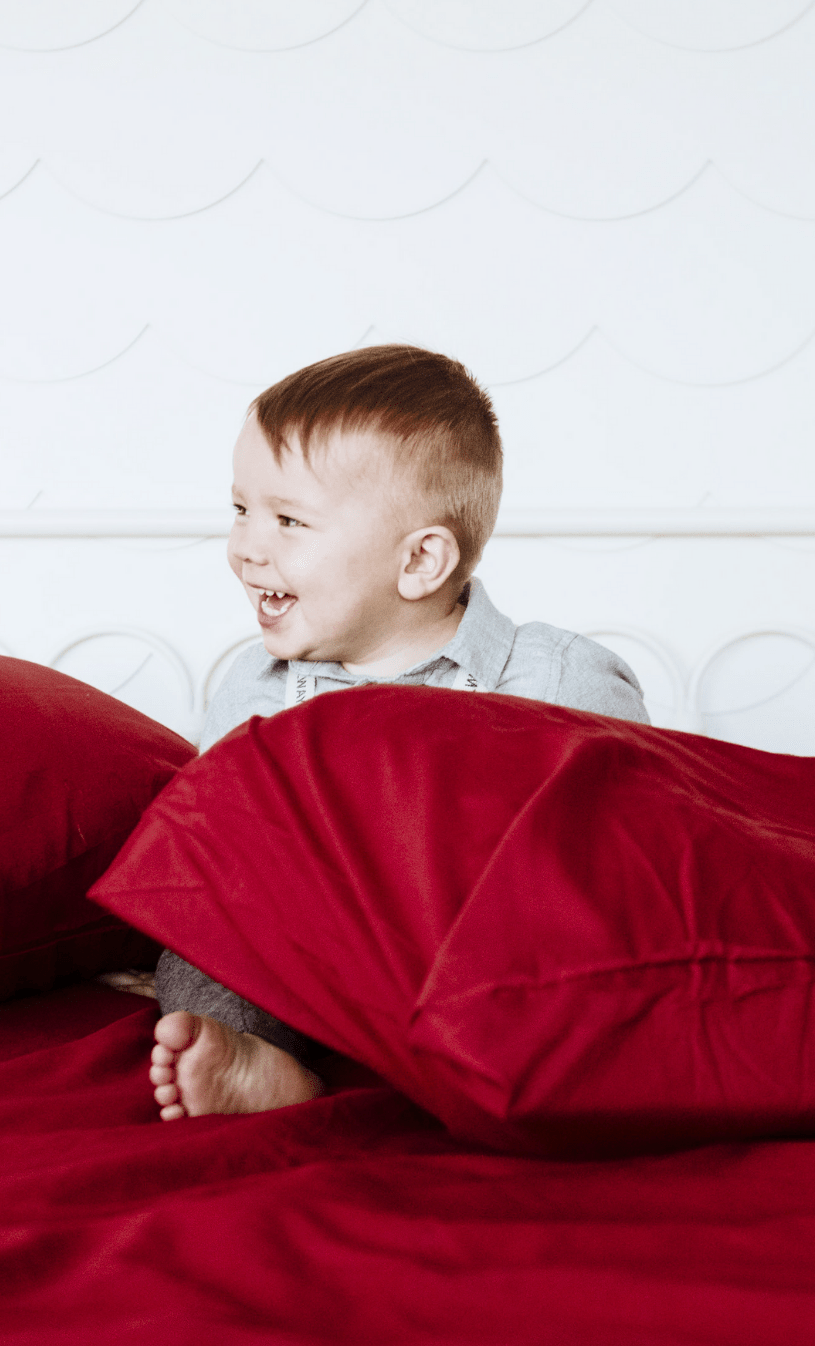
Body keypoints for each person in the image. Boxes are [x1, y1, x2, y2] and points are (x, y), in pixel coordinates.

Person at [147, 344, 648, 1120]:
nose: (248, 546)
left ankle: (486, 1075)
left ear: (419, 561)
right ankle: (257, 1057)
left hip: (472, 959)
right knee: (199, 928)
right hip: (315, 963)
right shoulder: (256, 691)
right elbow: (217, 860)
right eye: (241, 509)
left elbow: (643, 849)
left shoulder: (555, 681)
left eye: (288, 520)